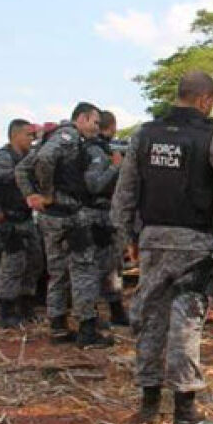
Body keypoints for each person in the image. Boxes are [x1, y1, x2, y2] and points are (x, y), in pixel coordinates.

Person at [111, 71, 213, 424]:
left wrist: (127, 236)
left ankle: (149, 403)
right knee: (186, 320)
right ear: (205, 100)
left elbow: (125, 189)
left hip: (153, 239)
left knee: (149, 316)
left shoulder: (145, 134)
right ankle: (185, 412)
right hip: (194, 243)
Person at [16, 102, 114, 348]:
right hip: (69, 216)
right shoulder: (68, 137)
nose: (96, 127)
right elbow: (46, 160)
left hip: (52, 217)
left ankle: (58, 326)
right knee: (84, 270)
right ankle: (87, 330)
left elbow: (22, 168)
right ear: (81, 118)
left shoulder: (55, 138)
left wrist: (32, 195)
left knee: (58, 272)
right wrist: (45, 193)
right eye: (94, 121)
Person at [0, 120, 45, 327]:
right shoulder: (4, 159)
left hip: (25, 218)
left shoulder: (25, 158)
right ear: (15, 136)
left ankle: (25, 307)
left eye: (33, 136)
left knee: (34, 261)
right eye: (27, 135)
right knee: (12, 265)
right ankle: (6, 313)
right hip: (9, 220)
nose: (31, 140)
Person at [84, 110, 128, 326]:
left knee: (110, 265)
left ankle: (114, 310)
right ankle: (97, 314)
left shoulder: (99, 148)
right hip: (97, 215)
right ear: (111, 127)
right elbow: (95, 185)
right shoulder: (95, 151)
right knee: (102, 267)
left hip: (102, 215)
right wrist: (115, 167)